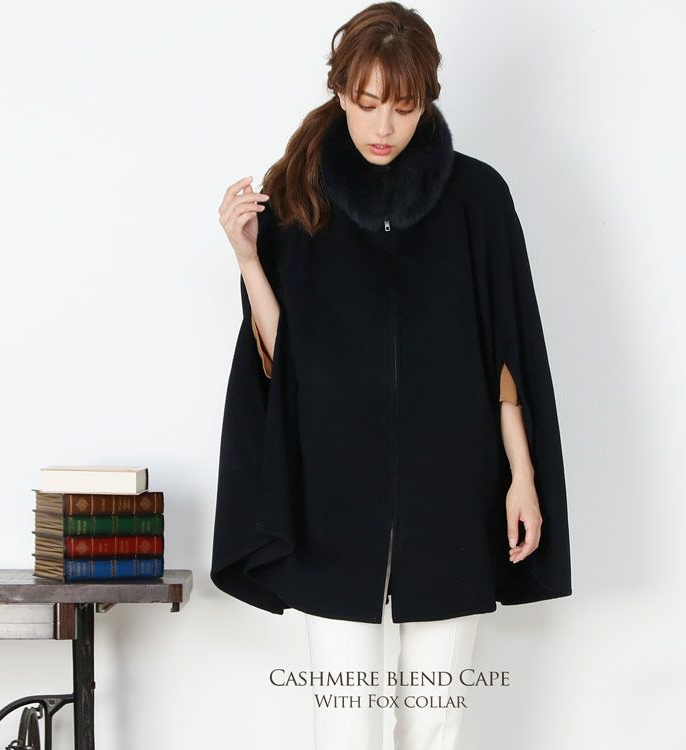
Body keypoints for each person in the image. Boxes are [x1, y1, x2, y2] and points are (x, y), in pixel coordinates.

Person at [211, 3, 572, 748]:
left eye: (403, 108)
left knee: (435, 717)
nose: (383, 127)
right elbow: (284, 361)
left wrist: (522, 476)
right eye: (368, 102)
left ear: (427, 100)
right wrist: (248, 259)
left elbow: (505, 356)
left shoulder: (478, 198)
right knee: (345, 721)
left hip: (453, 495)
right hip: (333, 498)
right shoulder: (301, 199)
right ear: (341, 92)